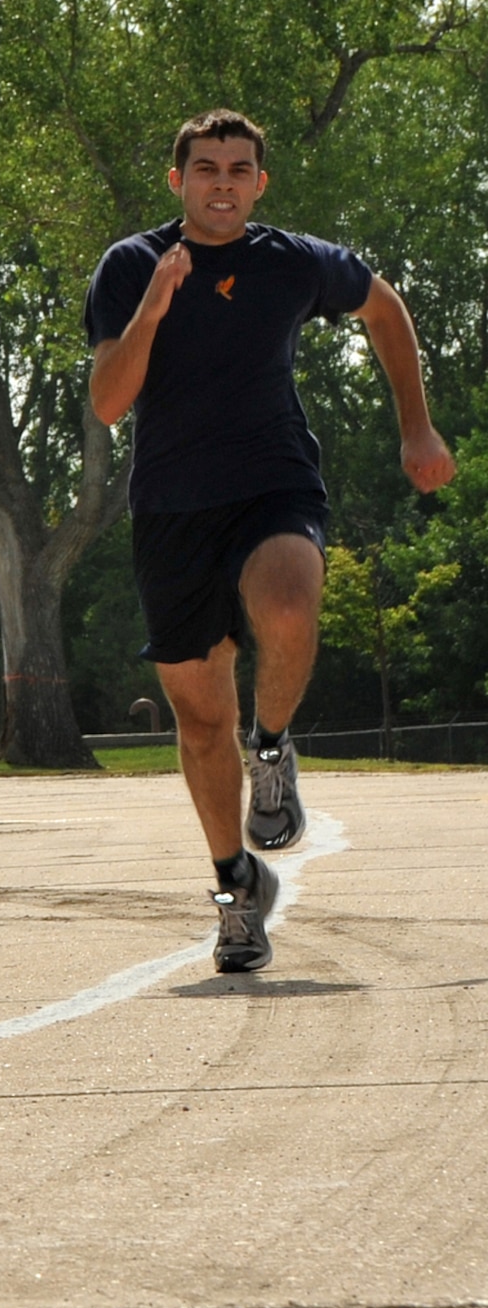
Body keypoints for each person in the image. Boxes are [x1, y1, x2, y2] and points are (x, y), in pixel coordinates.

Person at [85, 108, 453, 973]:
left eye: (239, 169)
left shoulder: (293, 262)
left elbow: (384, 306)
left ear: (260, 183)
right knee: (201, 720)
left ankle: (275, 747)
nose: (222, 182)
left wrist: (418, 429)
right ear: (178, 182)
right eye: (206, 168)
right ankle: (235, 892)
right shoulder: (132, 266)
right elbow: (107, 402)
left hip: (272, 483)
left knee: (290, 602)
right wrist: (154, 306)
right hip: (172, 510)